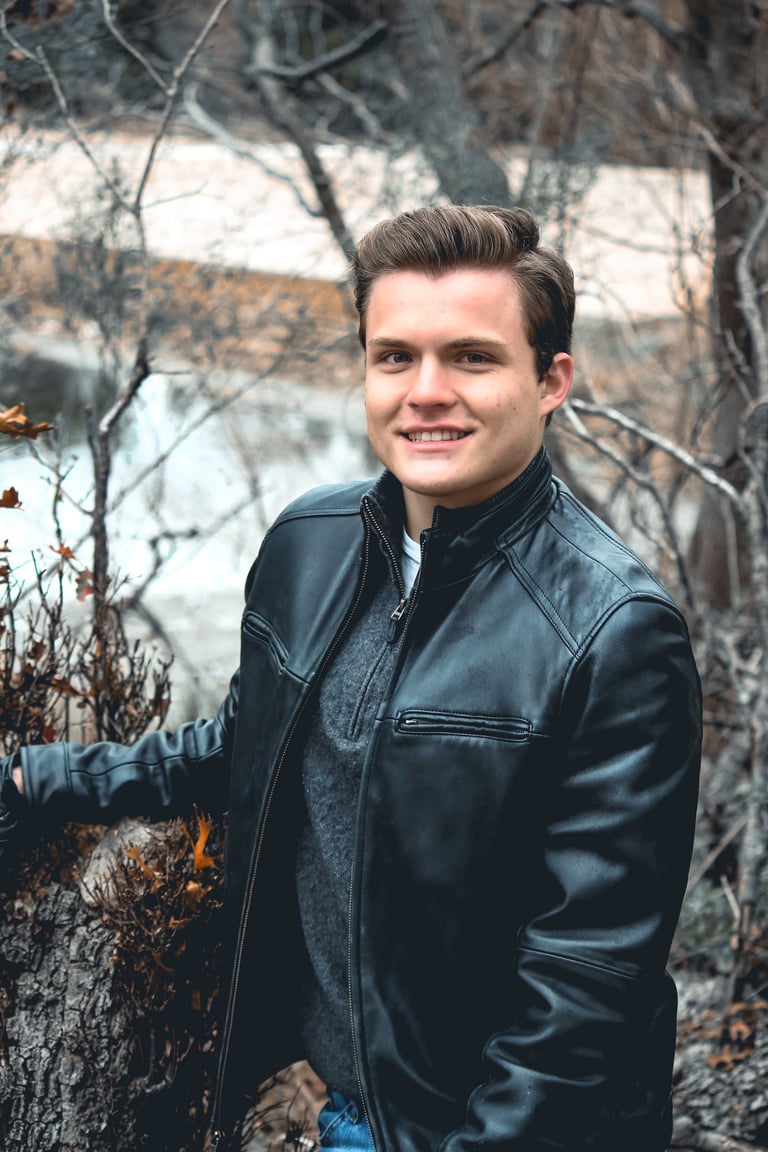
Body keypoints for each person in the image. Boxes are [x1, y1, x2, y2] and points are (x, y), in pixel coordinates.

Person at [0, 205, 701, 1152]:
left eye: (473, 358)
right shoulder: (311, 545)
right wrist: (37, 778)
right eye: (395, 357)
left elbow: (585, 985)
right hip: (342, 1106)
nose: (427, 393)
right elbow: (253, 744)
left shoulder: (613, 631)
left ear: (551, 381)